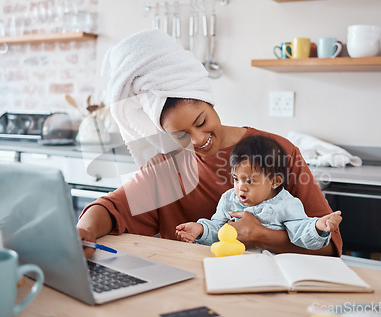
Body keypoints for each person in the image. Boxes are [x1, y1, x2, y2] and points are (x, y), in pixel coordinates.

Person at [76, 29, 343, 258]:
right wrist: (84, 231)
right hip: (186, 285)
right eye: (179, 135)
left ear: (209, 102)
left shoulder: (277, 151)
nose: (199, 140)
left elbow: (331, 247)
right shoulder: (166, 167)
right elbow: (111, 208)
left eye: (202, 122)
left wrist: (261, 236)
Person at [175, 135, 342, 251]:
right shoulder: (229, 199)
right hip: (235, 264)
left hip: (271, 267)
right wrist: (200, 229)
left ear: (275, 181)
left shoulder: (286, 204)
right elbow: (217, 229)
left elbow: (300, 231)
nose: (241, 187)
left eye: (249, 181)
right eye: (236, 179)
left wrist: (318, 226)